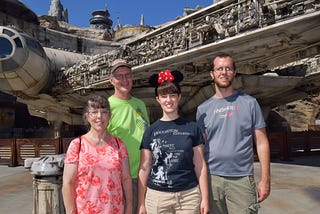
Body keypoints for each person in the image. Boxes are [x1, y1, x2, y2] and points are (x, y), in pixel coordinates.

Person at [196, 53, 270, 214]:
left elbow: (262, 142)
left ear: (235, 72)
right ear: (212, 74)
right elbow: (200, 148)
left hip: (242, 180)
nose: (224, 72)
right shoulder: (202, 109)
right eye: (219, 69)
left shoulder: (250, 103)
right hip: (211, 179)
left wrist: (265, 180)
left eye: (228, 68)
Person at [138, 70, 209, 214]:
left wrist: (205, 198)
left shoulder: (192, 128)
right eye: (164, 96)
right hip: (157, 197)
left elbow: (200, 165)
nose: (168, 100)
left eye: (172, 95)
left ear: (179, 97)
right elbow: (144, 168)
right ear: (158, 99)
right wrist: (141, 203)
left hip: (188, 197)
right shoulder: (150, 131)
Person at [62, 95, 133, 214]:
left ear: (109, 116)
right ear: (87, 116)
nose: (99, 116)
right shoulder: (77, 145)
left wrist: (129, 206)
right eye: (94, 112)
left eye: (104, 112)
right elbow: (68, 183)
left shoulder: (119, 144)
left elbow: (126, 179)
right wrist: (70, 211)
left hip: (114, 210)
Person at [107, 59, 150, 213]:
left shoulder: (140, 104)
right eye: (119, 76)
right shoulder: (107, 107)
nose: (125, 80)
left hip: (145, 175)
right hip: (122, 179)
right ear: (111, 80)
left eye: (128, 75)